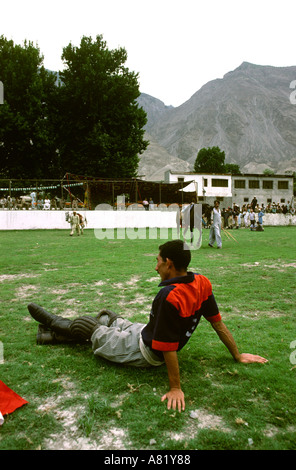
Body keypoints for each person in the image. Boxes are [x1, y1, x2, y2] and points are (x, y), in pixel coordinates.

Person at [27, 240, 267, 413]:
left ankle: (54, 326)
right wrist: (236, 354)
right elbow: (219, 325)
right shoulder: (201, 282)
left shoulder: (169, 296)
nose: (156, 267)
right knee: (107, 316)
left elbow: (169, 347)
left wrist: (176, 388)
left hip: (144, 353)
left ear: (169, 264)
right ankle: (55, 337)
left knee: (87, 326)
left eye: (158, 261)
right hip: (145, 332)